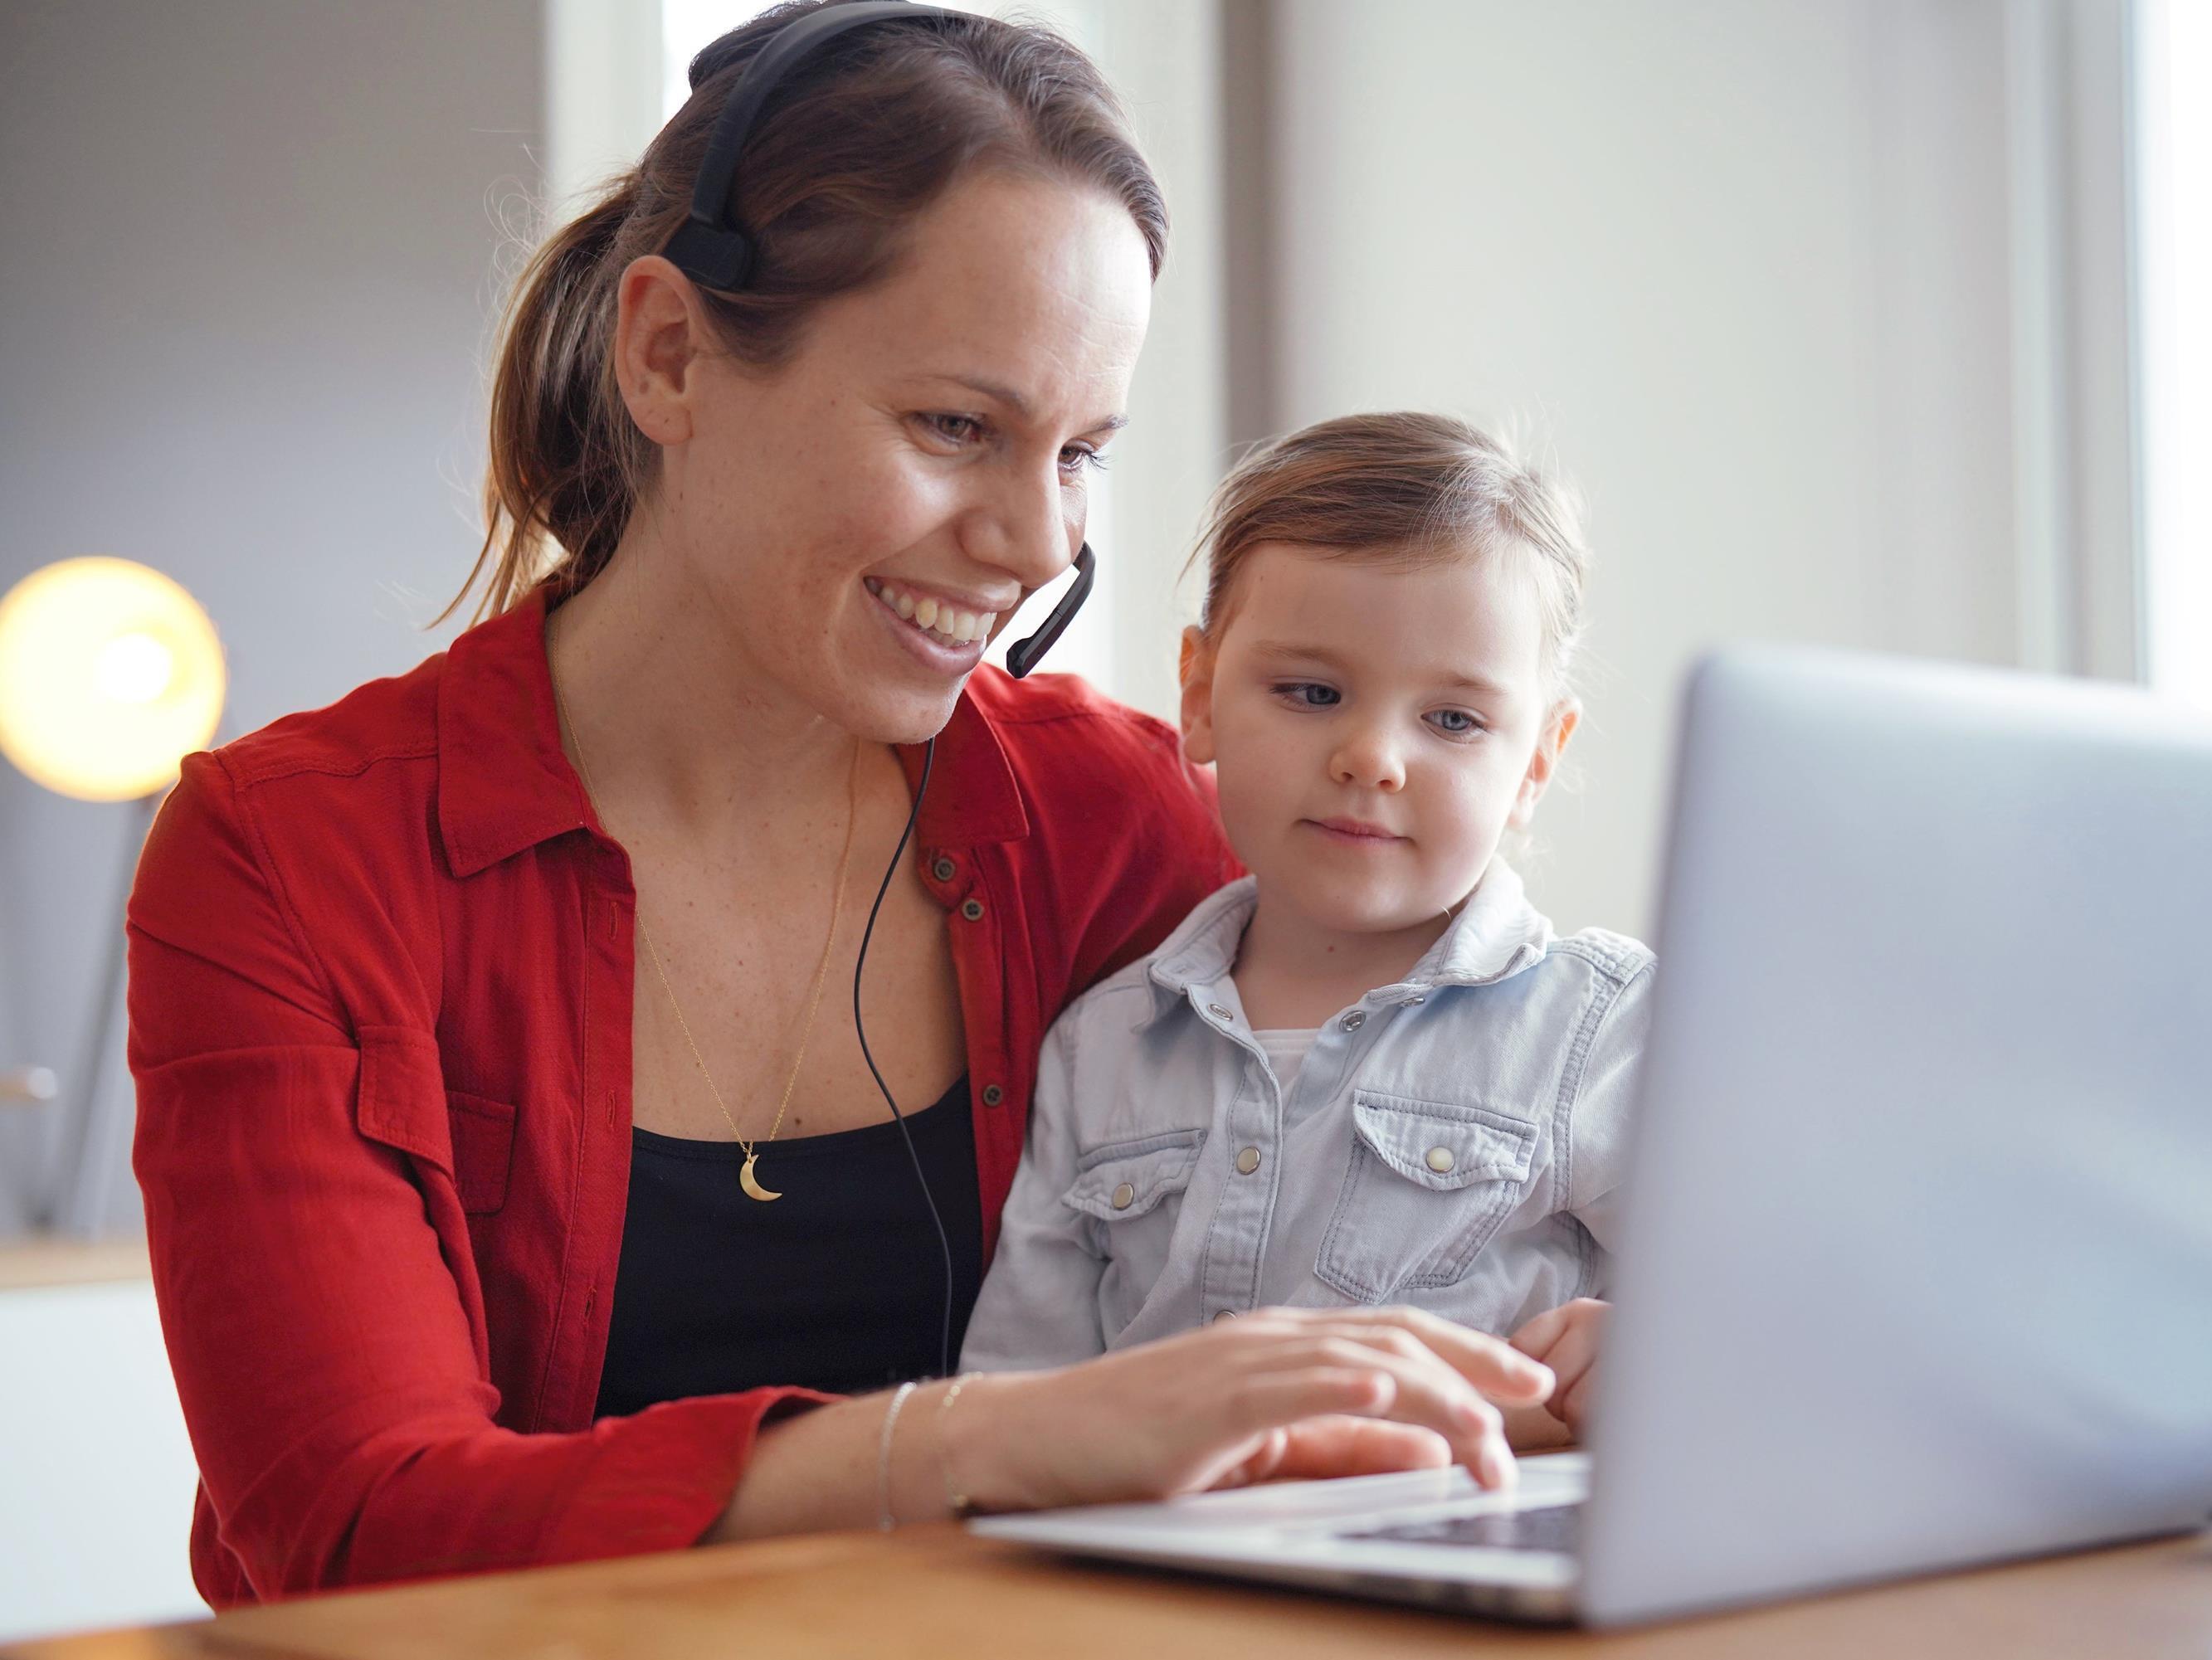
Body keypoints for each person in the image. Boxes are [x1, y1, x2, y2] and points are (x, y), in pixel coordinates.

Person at [124, 5, 1551, 1609]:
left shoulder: (1117, 815)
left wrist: (1573, 1328)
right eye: (958, 426)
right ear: (669, 354)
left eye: (1080, 451)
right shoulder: (293, 856)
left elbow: (1441, 1081)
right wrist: (988, 1439)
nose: (1035, 544)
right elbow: (355, 1524)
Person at [961, 413, 1649, 1448]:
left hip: (1457, 1565)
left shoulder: (1602, 1032)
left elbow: (1777, 1326)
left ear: (1538, 761)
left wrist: (1646, 1352)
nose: (1373, 757)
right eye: (1312, 693)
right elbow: (1011, 1407)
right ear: (1198, 695)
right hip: (1152, 1575)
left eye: (1454, 720)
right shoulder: (1100, 1046)